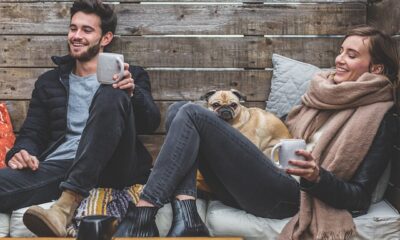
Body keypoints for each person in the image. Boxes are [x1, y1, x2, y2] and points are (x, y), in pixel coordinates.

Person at [113, 26, 399, 239]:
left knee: (190, 113)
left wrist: (317, 177)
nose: (339, 59)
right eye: (340, 51)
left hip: (291, 195)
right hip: (262, 179)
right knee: (178, 111)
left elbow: (360, 197)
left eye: (351, 55)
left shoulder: (378, 115)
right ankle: (187, 215)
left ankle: (144, 212)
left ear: (375, 67)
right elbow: (282, 127)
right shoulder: (323, 93)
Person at [0, 0, 160, 237]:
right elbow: (33, 133)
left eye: (86, 30)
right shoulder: (49, 82)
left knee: (111, 92)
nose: (76, 35)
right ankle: (70, 192)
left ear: (105, 38)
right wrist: (21, 153)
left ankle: (66, 204)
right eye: (73, 28)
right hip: (61, 168)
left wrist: (132, 94)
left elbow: (151, 122)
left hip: (113, 165)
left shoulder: (131, 75)